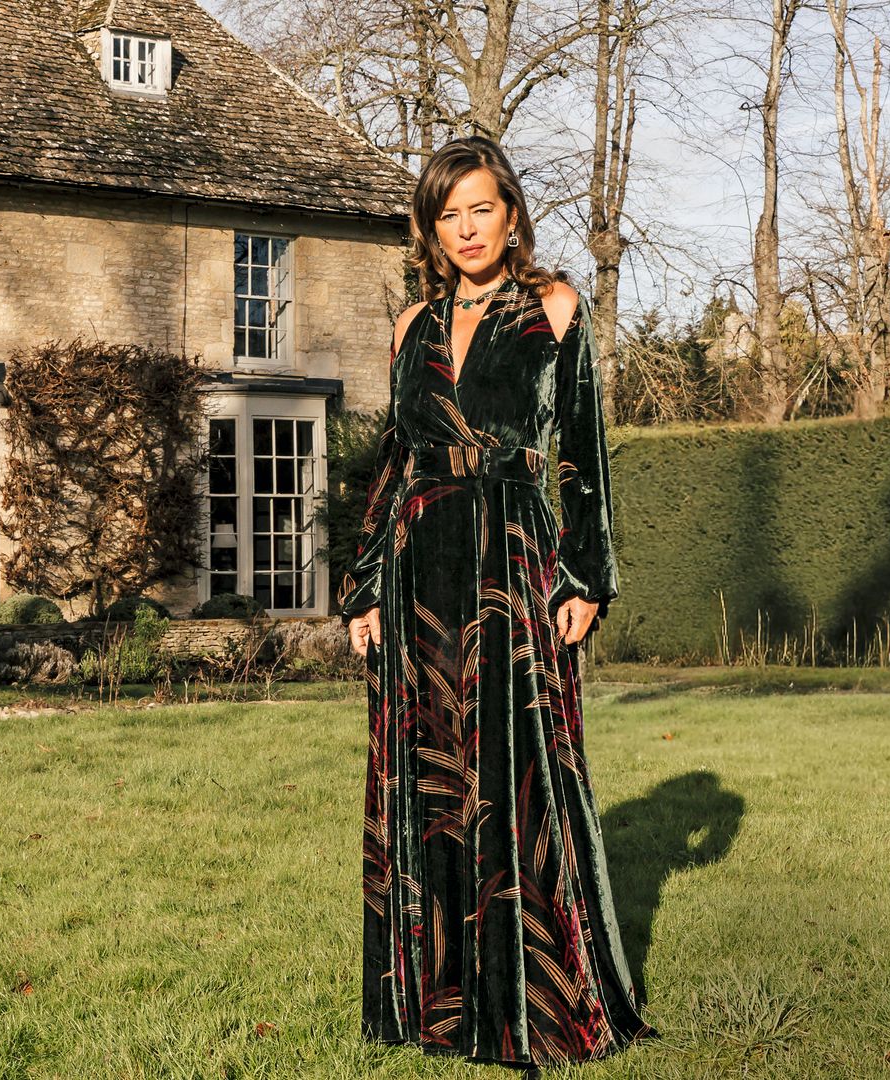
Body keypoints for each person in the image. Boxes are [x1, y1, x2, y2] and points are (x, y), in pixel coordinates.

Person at [338, 135, 656, 1069]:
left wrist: (586, 578)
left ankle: (541, 1009)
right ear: (431, 230)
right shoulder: (412, 326)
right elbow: (393, 464)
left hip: (514, 563)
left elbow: (582, 459)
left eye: (481, 208)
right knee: (429, 781)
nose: (467, 228)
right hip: (417, 570)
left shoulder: (555, 308)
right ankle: (436, 1009)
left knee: (524, 775)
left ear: (510, 212)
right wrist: (363, 590)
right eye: (449, 214)